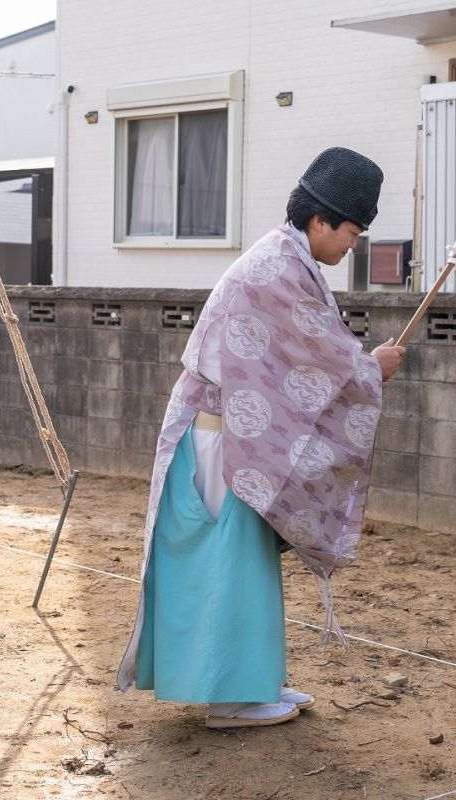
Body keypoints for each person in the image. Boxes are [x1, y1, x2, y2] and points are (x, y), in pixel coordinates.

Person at [116, 147, 406, 729]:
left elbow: (305, 352)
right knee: (230, 561)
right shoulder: (277, 268)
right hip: (223, 434)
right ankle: (233, 699)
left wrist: (363, 364)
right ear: (319, 220)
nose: (353, 244)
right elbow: (321, 356)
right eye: (351, 231)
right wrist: (372, 366)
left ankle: (253, 682)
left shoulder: (290, 262)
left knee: (242, 559)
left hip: (235, 431)